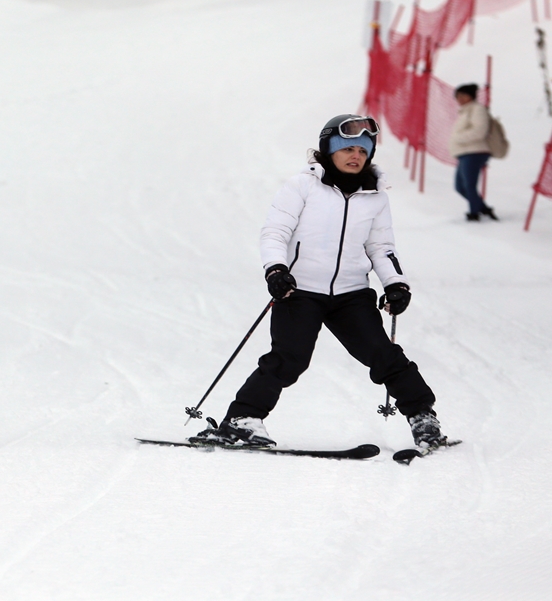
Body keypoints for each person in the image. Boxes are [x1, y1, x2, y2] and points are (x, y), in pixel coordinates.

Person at [191, 114, 448, 450]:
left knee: (383, 354)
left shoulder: (375, 196)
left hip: (351, 294)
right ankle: (242, 420)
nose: (356, 155)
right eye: (347, 148)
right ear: (329, 149)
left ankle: (423, 417)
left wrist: (395, 284)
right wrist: (275, 269)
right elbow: (275, 232)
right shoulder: (302, 186)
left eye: (362, 149)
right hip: (299, 291)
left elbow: (381, 247)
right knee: (288, 358)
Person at [450, 83, 497, 222]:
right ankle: (483, 208)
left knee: (469, 185)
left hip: (475, 152)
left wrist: (458, 138)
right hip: (464, 153)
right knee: (460, 187)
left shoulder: (477, 109)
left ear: (471, 96)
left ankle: (474, 214)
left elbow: (480, 131)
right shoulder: (465, 111)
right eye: (458, 96)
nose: (460, 99)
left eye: (463, 95)